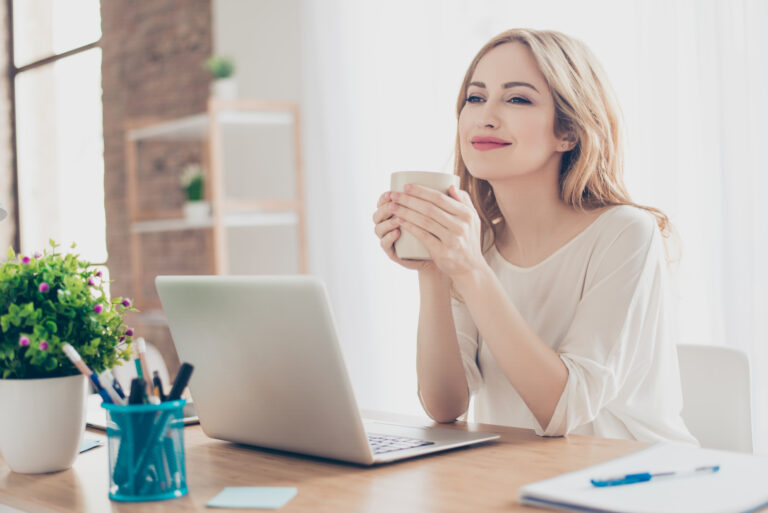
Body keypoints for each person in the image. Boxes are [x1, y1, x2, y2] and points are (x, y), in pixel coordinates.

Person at [371, 28, 697, 444]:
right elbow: (445, 405)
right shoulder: (478, 243)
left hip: (636, 484)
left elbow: (564, 409)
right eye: (475, 97)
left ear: (569, 132)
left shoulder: (625, 233)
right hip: (523, 478)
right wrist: (434, 269)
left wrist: (468, 268)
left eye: (517, 98)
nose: (485, 115)